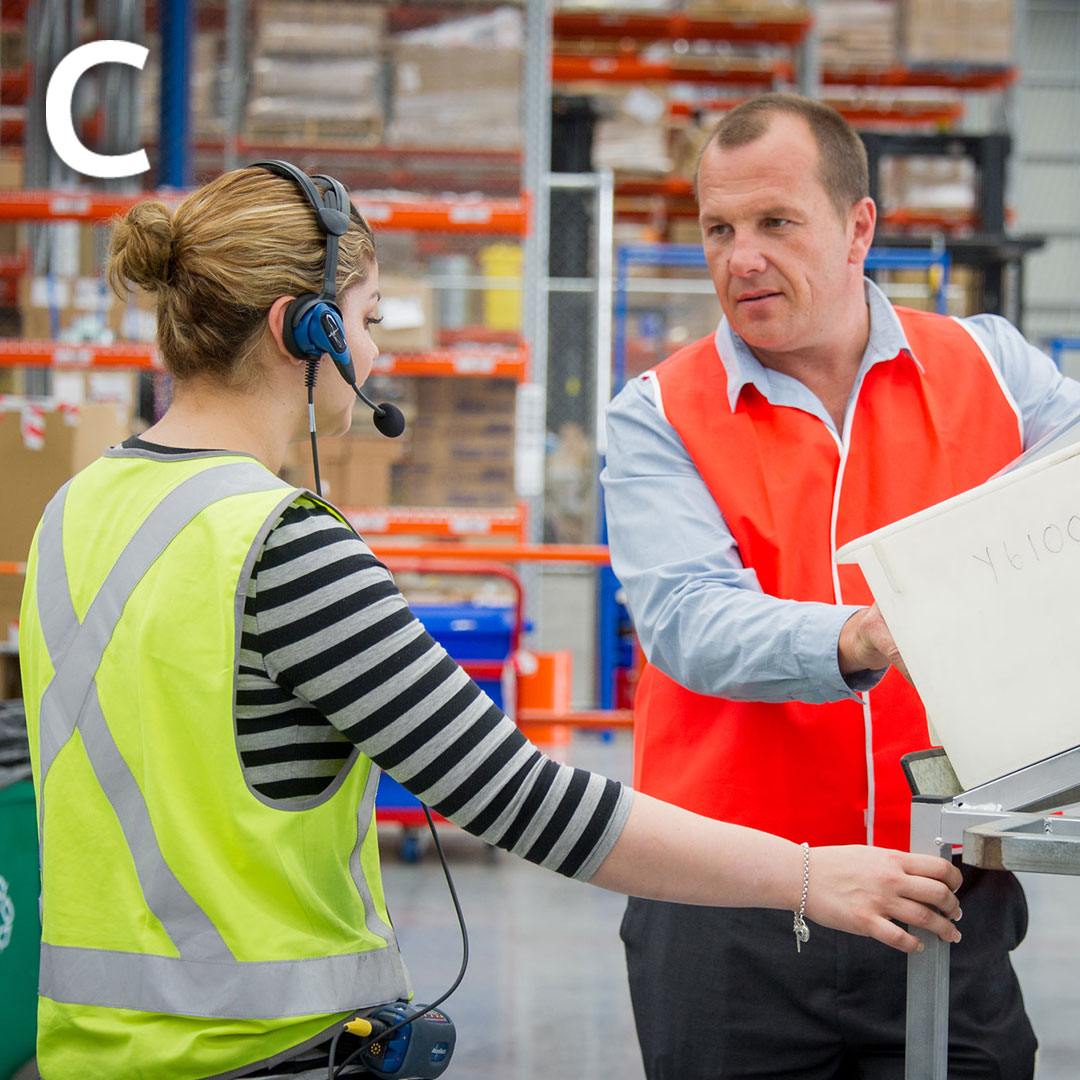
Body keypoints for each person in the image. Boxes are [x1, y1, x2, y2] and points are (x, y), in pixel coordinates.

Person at [19, 162, 964, 1080]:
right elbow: (522, 798)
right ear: (301, 331)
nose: (377, 355)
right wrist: (811, 877)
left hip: (96, 1050)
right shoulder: (279, 547)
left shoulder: (76, 509)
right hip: (256, 1048)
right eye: (367, 321)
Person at [602, 93, 1080, 1080]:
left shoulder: (990, 368)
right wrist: (862, 636)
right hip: (731, 913)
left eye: (777, 223)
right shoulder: (659, 413)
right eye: (719, 229)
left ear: (860, 226)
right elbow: (689, 621)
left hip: (940, 892)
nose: (742, 259)